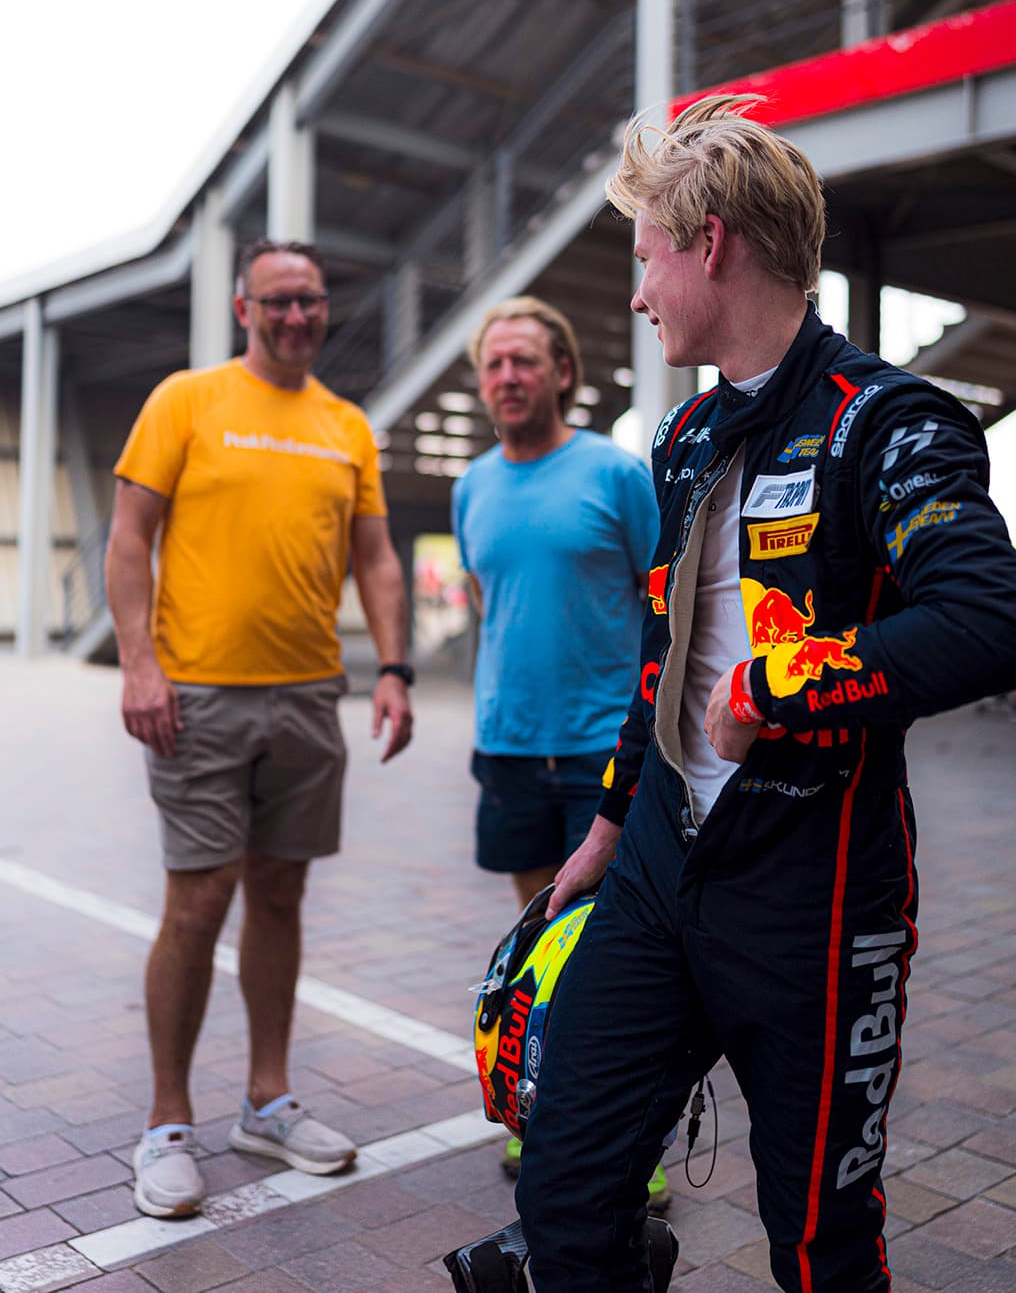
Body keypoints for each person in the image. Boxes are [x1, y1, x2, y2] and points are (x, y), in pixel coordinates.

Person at [514, 96, 1016, 1292]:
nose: (635, 295)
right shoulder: (680, 435)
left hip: (816, 893)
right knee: (564, 1191)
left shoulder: (886, 422)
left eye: (643, 257)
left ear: (708, 242)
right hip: (650, 868)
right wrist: (601, 825)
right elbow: (661, 652)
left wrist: (784, 689)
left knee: (815, 1241)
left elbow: (985, 617)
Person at [105, 238, 414, 1220]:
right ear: (244, 308)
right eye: (277, 301)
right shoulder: (185, 401)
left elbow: (375, 559)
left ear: (324, 309)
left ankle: (267, 1103)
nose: (295, 316)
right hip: (196, 697)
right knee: (196, 906)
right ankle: (165, 1123)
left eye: (310, 301)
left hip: (307, 698)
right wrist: (141, 665)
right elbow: (127, 539)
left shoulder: (345, 425)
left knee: (278, 898)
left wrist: (396, 668)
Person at [452, 296, 660, 1187]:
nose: (507, 377)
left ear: (563, 373)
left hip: (599, 754)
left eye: (525, 361)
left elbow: (667, 608)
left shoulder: (616, 476)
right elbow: (484, 601)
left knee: (608, 953)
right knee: (539, 947)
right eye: (494, 363)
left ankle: (629, 1145)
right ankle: (538, 1113)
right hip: (507, 747)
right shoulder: (471, 486)